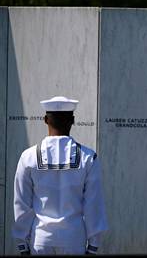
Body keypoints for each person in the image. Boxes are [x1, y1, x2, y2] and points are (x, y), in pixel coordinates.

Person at [12, 96, 108, 255]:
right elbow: (93, 204)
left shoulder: (28, 157)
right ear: (72, 120)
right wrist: (93, 245)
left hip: (40, 240)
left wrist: (22, 243)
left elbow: (22, 204)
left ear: (45, 120)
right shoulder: (88, 158)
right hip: (74, 239)